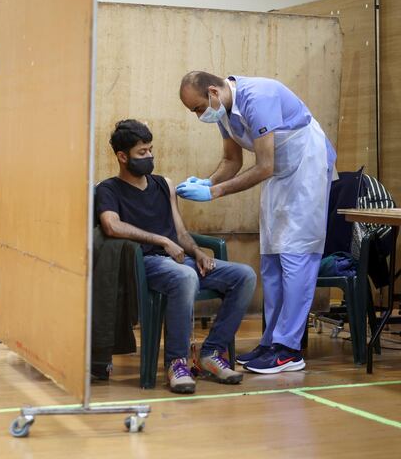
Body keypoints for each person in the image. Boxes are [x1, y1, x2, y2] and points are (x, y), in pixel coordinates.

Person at [177, 72, 336, 374]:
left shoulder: (258, 98)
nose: (199, 115)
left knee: (296, 256)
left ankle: (289, 349)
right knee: (272, 257)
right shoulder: (222, 111)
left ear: (213, 92)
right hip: (280, 173)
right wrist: (207, 181)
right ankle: (271, 341)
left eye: (198, 108)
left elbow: (264, 165)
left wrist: (215, 191)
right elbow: (232, 162)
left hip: (305, 166)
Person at [96, 119, 256, 393]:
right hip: (147, 264)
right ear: (122, 157)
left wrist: (198, 252)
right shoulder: (108, 189)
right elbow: (111, 225)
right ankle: (176, 362)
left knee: (244, 275)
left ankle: (211, 353)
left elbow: (180, 232)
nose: (149, 157)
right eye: (142, 152)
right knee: (184, 277)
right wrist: (160, 240)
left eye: (150, 150)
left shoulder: (164, 184)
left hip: (182, 261)